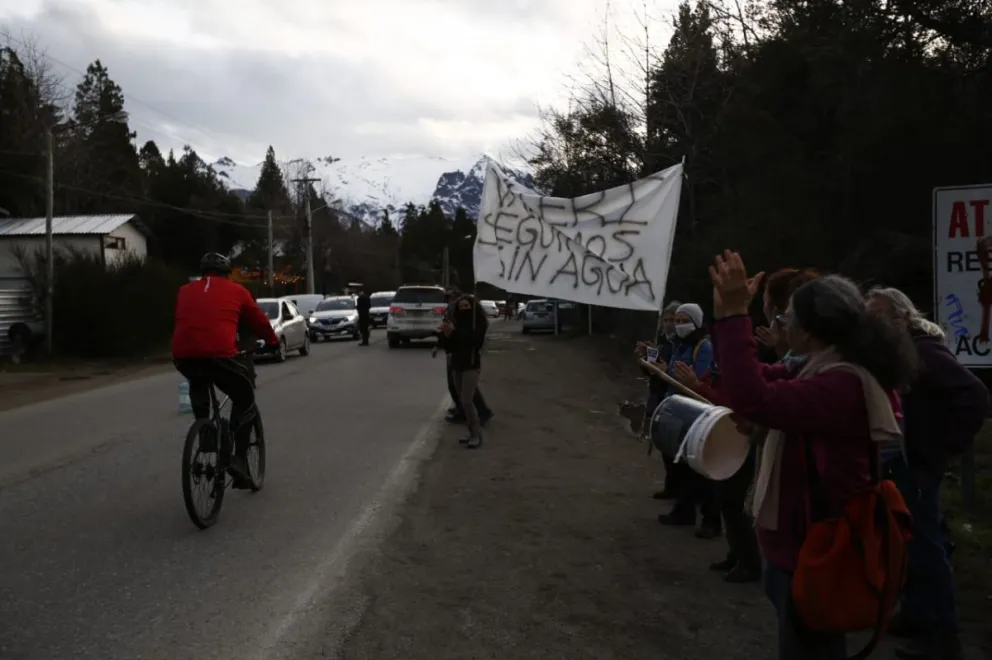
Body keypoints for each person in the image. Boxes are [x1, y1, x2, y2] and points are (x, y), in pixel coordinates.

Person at [709, 252, 917, 660]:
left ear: (813, 329)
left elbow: (753, 397)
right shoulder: (822, 367)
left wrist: (736, 318)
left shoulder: (843, 383)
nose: (783, 324)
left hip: (816, 549)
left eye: (788, 317)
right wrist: (725, 317)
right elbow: (753, 383)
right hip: (801, 544)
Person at [866, 286, 989, 660]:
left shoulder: (923, 351)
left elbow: (975, 395)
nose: (871, 325)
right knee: (908, 541)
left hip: (917, 464)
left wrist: (943, 446)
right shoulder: (902, 351)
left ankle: (943, 635)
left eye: (877, 316)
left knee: (926, 545)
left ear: (901, 317)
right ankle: (918, 614)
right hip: (905, 460)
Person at [172, 253, 279, 487]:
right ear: (227, 272)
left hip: (182, 355)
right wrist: (272, 340)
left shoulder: (184, 290)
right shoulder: (237, 291)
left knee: (197, 378)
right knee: (245, 396)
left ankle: (205, 431)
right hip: (219, 354)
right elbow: (259, 321)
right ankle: (238, 460)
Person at [655, 302, 719, 538]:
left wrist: (669, 373)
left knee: (700, 471)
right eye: (676, 320)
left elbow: (698, 381)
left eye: (684, 321)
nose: (679, 325)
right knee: (683, 468)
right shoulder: (680, 346)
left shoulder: (704, 347)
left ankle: (711, 519)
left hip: (697, 415)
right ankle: (684, 511)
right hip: (681, 413)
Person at [636, 300, 681, 497]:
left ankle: (677, 490)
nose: (669, 324)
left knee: (675, 448)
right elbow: (651, 373)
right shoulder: (662, 343)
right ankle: (671, 487)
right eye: (667, 320)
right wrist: (645, 359)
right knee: (664, 445)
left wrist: (665, 370)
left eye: (674, 320)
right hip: (659, 397)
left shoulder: (682, 345)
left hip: (674, 400)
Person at [438, 294, 488, 449]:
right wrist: (446, 336)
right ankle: (471, 432)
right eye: (461, 307)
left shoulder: (478, 323)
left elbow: (473, 341)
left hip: (471, 365)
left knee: (467, 400)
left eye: (467, 306)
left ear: (473, 308)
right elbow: (450, 346)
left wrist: (454, 333)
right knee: (461, 401)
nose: (464, 309)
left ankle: (476, 435)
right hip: (457, 364)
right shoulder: (456, 323)